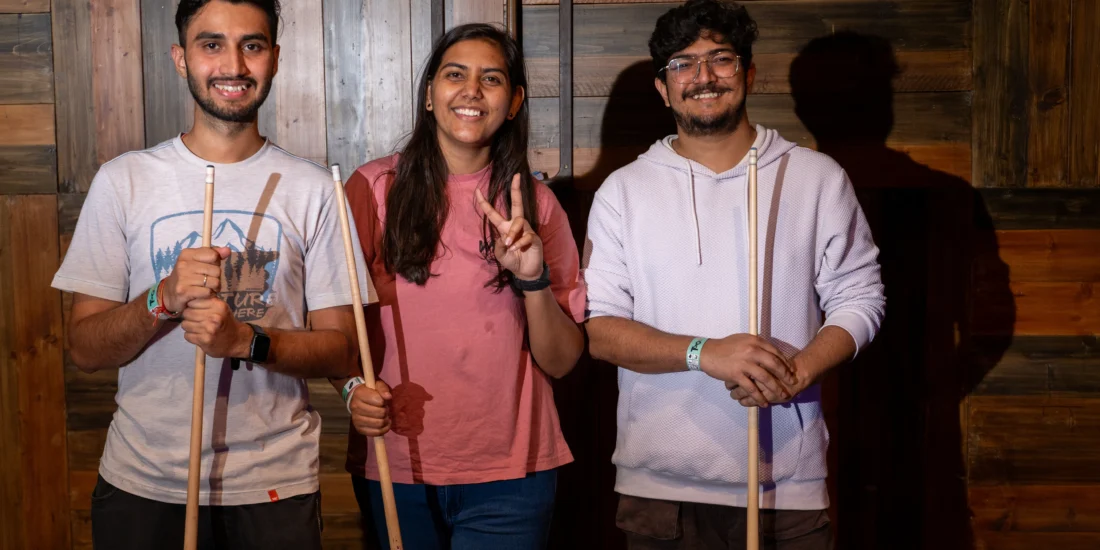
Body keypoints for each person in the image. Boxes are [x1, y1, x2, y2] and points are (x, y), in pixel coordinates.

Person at [51, 0, 372, 547]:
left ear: (274, 58)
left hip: (273, 485)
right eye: (211, 44)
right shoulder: (123, 181)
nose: (234, 65)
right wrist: (161, 297)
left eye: (252, 45)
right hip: (143, 482)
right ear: (181, 58)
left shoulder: (315, 190)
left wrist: (245, 341)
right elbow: (84, 348)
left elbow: (341, 351)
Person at [582, 1, 886, 548]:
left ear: (748, 73)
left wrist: (798, 370)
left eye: (720, 58)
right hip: (660, 490)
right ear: (663, 88)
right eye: (683, 64)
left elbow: (861, 299)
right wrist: (705, 352)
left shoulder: (814, 177)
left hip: (784, 485)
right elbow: (600, 331)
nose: (703, 77)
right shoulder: (622, 192)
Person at [334, 23, 586, 550]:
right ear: (429, 94)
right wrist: (352, 389)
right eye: (455, 75)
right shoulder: (373, 188)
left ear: (514, 102)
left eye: (491, 78)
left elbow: (562, 360)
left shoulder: (536, 205)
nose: (472, 90)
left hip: (514, 474)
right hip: (395, 461)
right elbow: (333, 327)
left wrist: (533, 280)